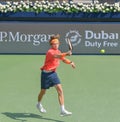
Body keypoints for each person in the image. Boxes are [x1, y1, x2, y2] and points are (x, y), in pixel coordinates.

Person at [36, 34, 76, 116]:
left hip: (53, 74)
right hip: (45, 75)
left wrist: (70, 62)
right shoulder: (50, 52)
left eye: (57, 43)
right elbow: (57, 56)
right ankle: (39, 104)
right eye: (54, 44)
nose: (56, 45)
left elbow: (63, 59)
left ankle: (62, 110)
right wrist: (67, 53)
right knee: (43, 92)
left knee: (60, 90)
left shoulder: (58, 51)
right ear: (51, 44)